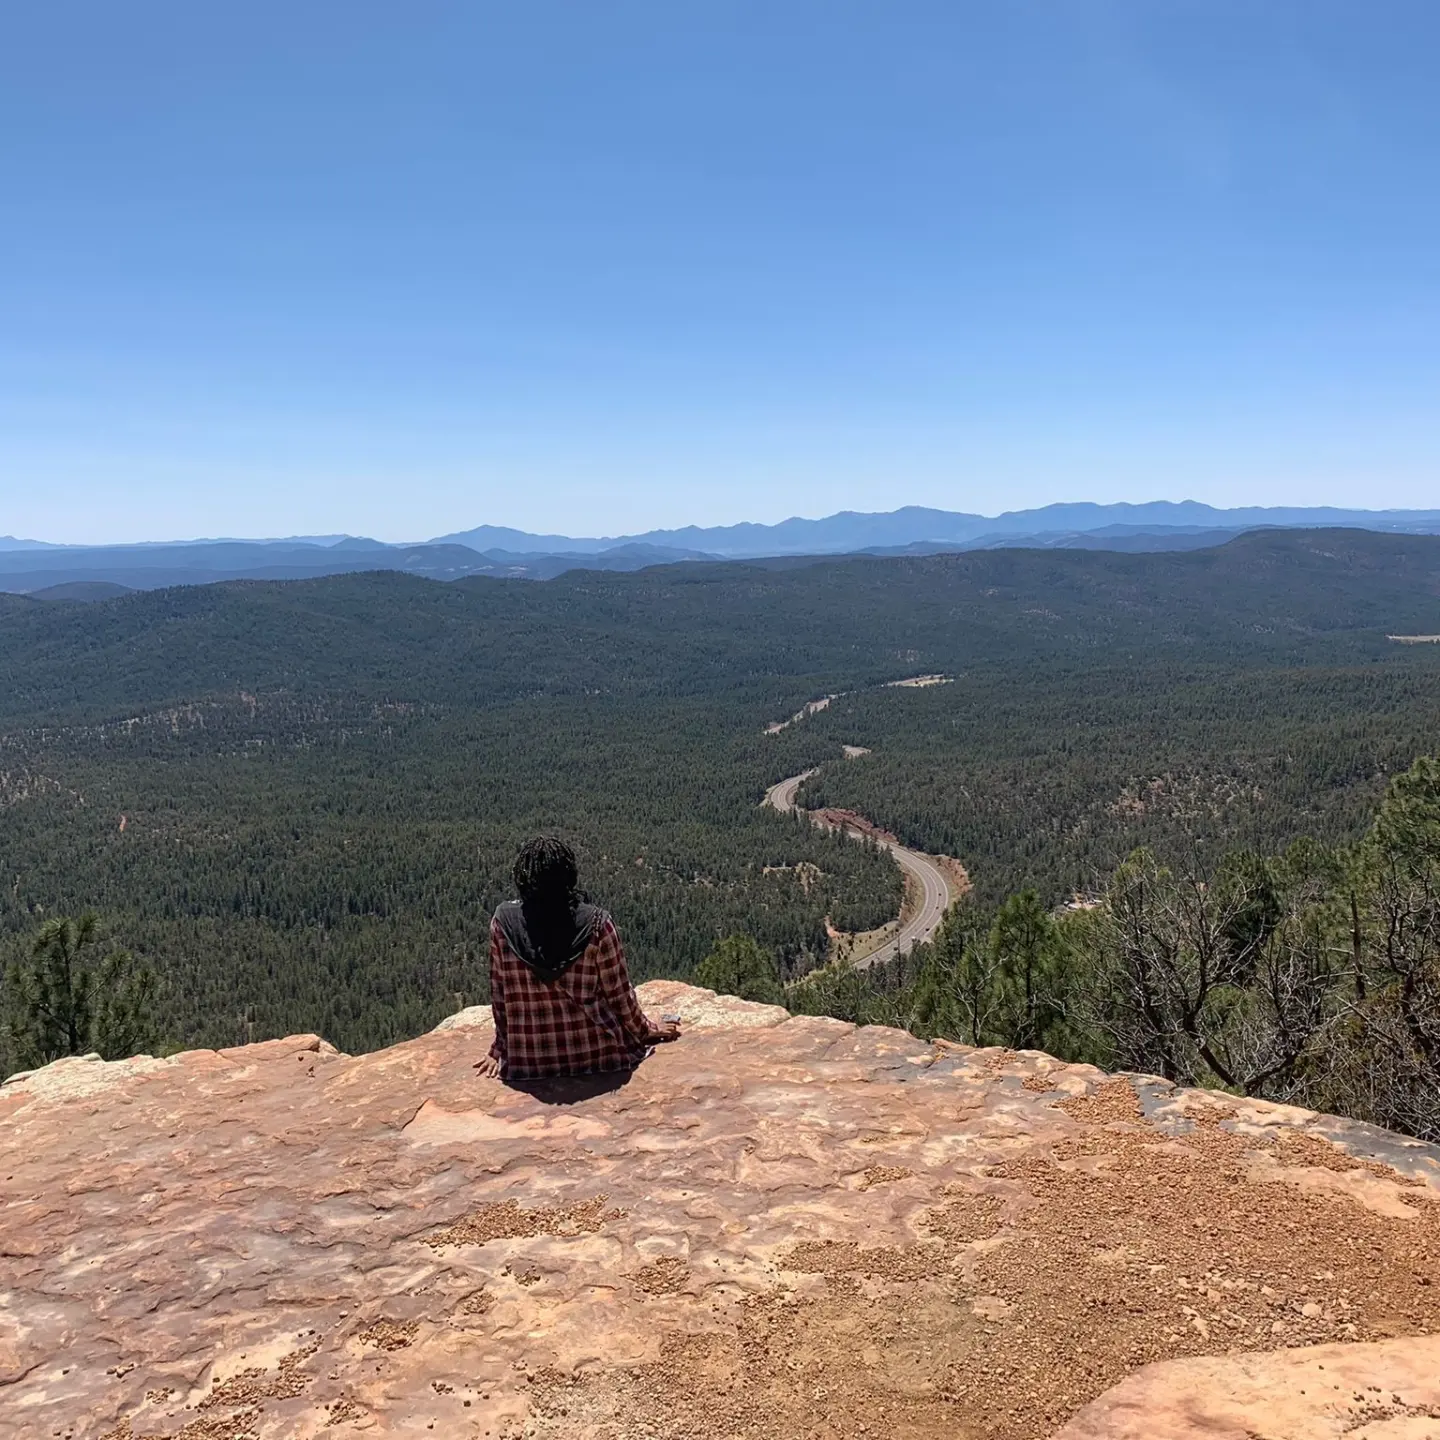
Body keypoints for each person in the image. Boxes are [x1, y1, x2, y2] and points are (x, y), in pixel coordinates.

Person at [473, 836, 680, 1081]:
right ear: (569, 876)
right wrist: (646, 1031)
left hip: (529, 1063)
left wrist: (499, 1050)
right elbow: (620, 997)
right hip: (600, 1056)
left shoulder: (502, 924)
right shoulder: (597, 924)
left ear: (522, 878)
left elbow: (500, 997)